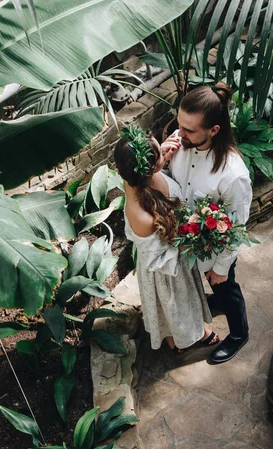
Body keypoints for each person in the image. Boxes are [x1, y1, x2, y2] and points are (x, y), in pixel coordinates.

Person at [161, 82, 253, 364]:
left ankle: (239, 334)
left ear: (214, 130)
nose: (181, 133)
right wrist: (162, 157)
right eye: (180, 124)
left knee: (226, 289)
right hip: (185, 241)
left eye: (189, 130)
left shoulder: (232, 174)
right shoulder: (181, 141)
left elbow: (238, 226)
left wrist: (222, 268)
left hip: (216, 250)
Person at [114, 125, 219, 353]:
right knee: (176, 304)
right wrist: (192, 234)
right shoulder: (140, 215)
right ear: (149, 169)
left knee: (174, 307)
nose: (165, 151)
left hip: (172, 255)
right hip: (167, 269)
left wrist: (160, 155)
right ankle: (190, 334)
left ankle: (173, 338)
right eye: (160, 154)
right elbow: (157, 259)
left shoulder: (134, 175)